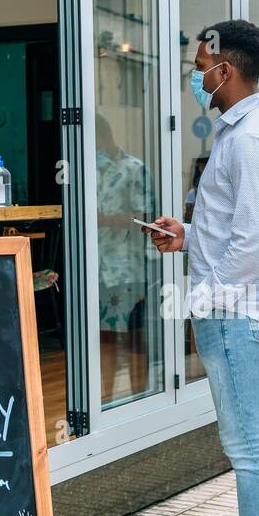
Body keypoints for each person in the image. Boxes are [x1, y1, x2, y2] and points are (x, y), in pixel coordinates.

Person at [146, 19, 259, 516]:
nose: (195, 74)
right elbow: (234, 227)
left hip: (237, 312)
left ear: (225, 71)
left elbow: (253, 244)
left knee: (249, 445)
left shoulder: (249, 137)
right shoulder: (241, 131)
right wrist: (188, 236)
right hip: (239, 304)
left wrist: (201, 298)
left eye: (200, 64)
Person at [95, 116, 157, 404]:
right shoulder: (88, 171)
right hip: (96, 268)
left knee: (134, 337)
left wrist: (105, 220)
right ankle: (105, 400)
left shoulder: (134, 169)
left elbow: (145, 218)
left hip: (128, 268)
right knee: (104, 337)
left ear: (103, 138)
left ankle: (140, 398)